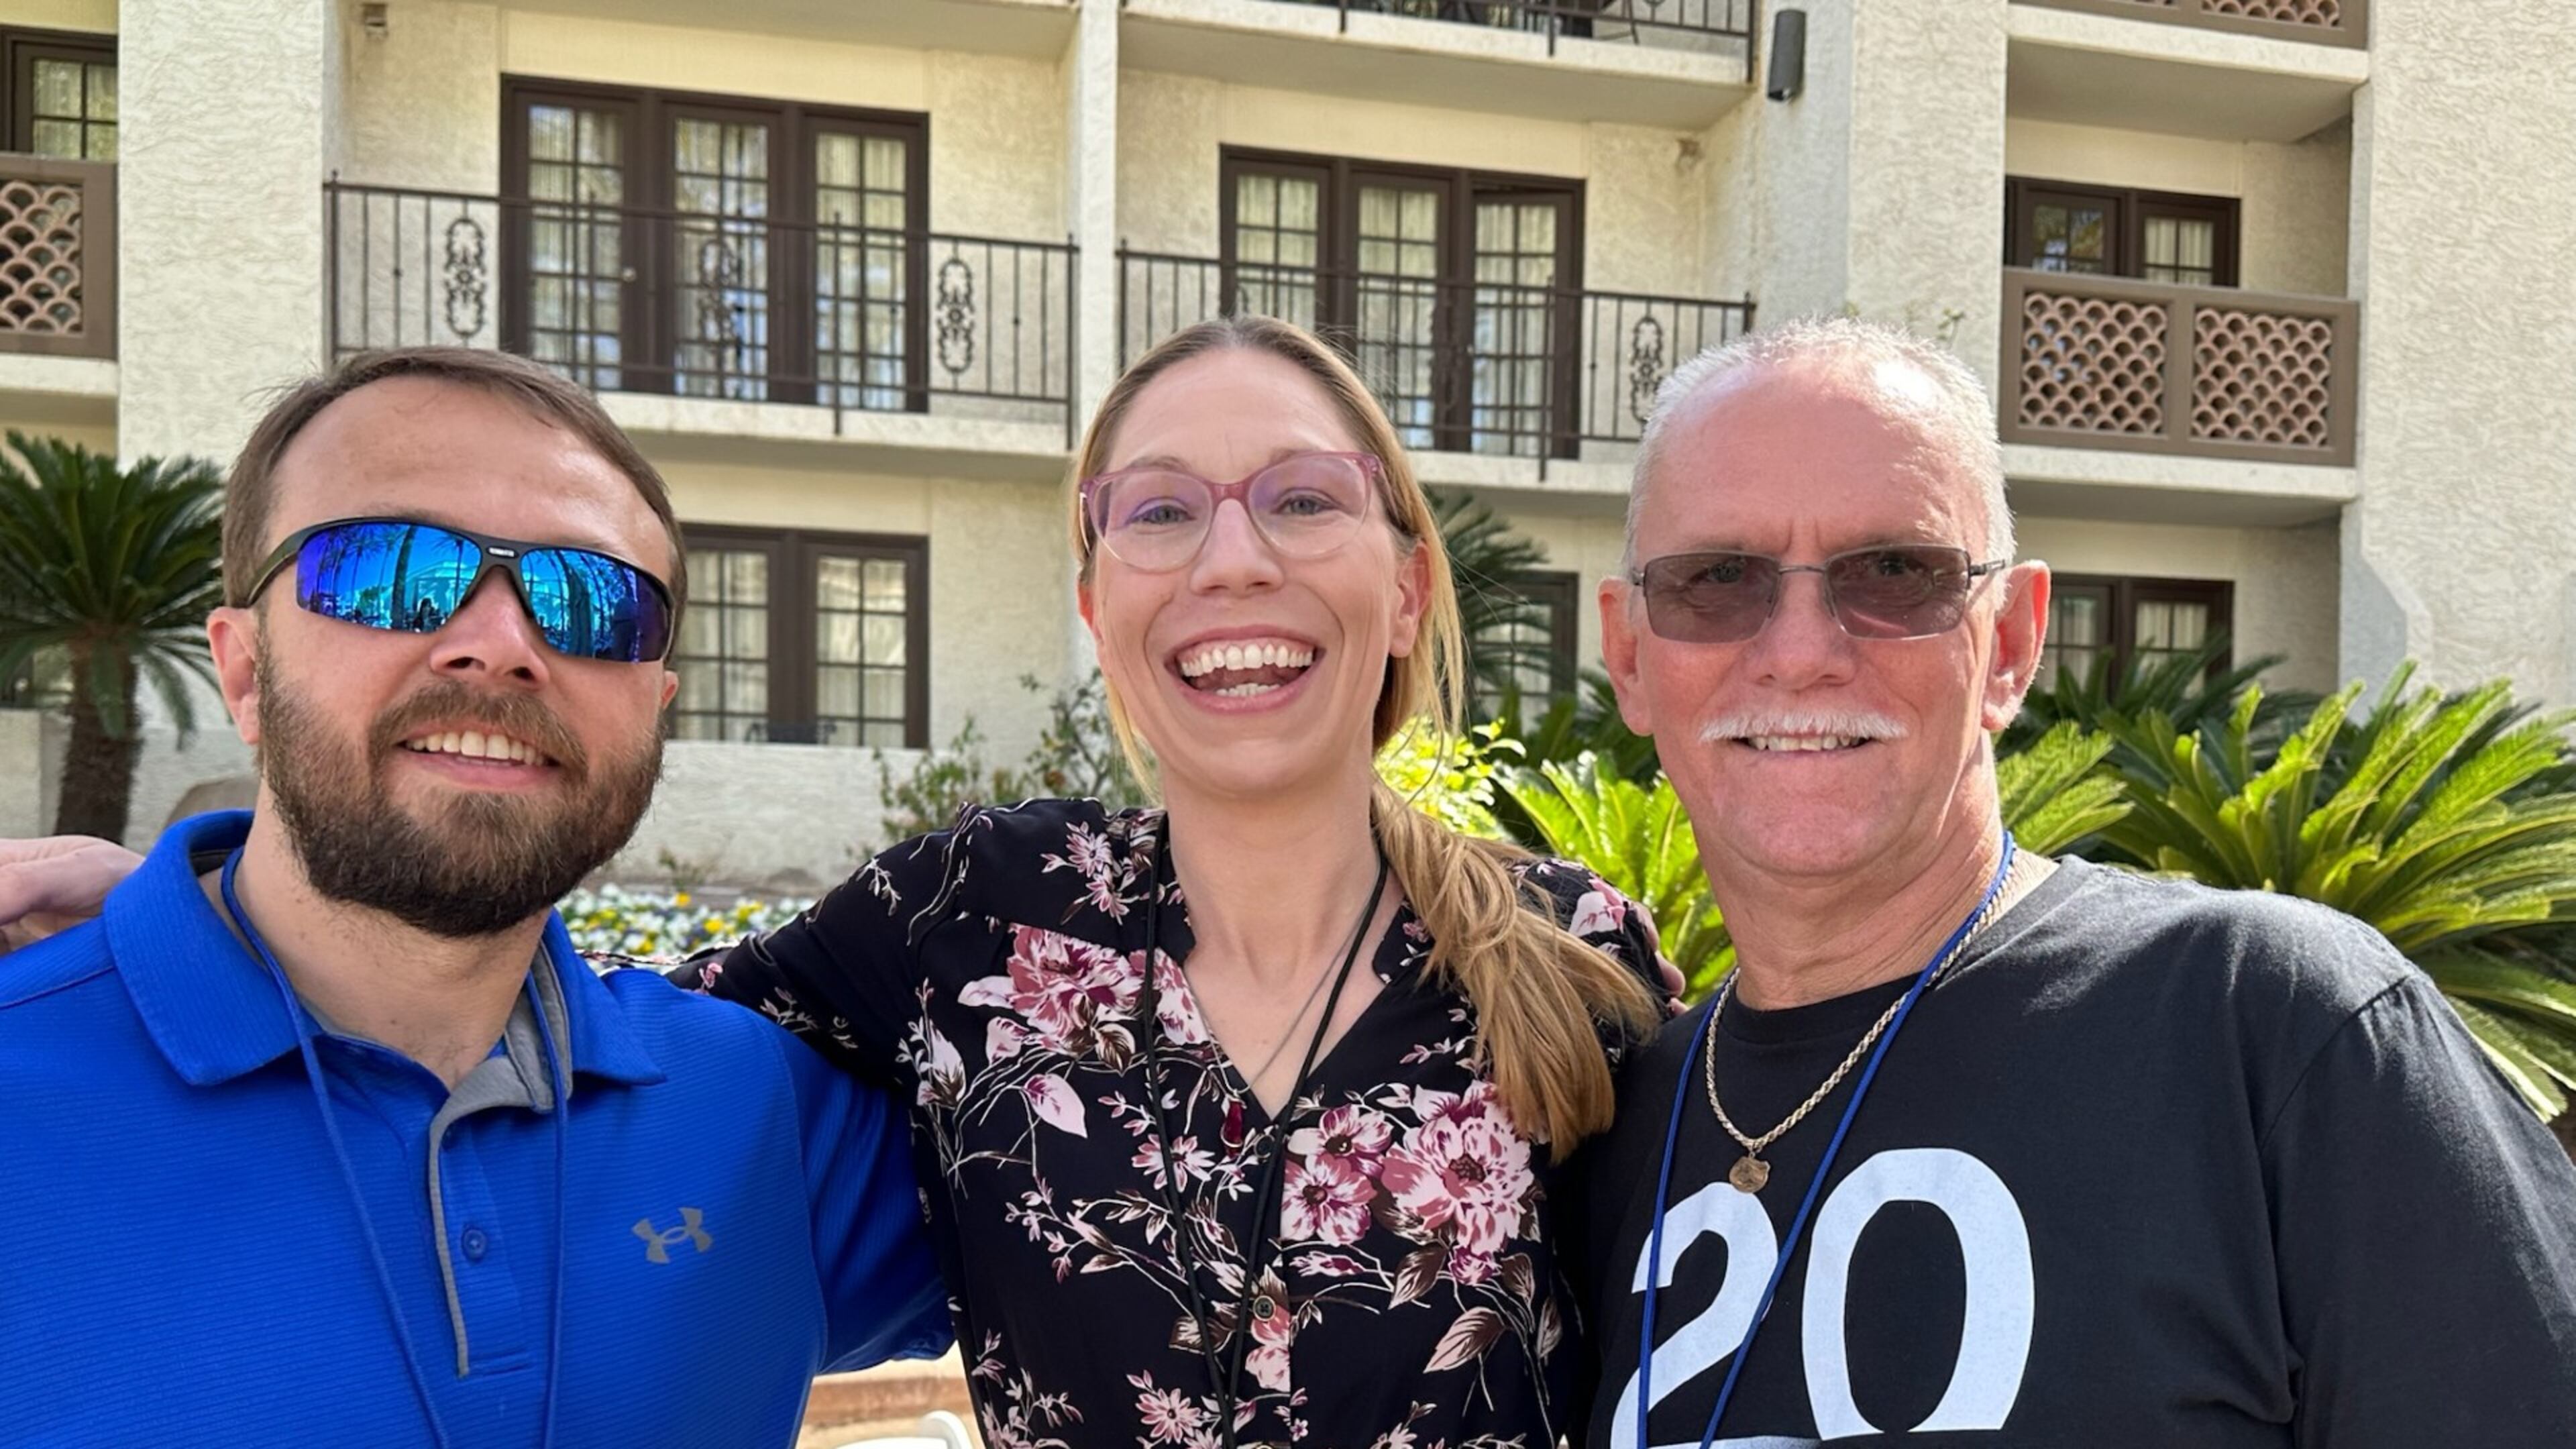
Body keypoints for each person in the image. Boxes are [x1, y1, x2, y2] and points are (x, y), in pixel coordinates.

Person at [0, 317, 1672, 1449]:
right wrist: (164, 919)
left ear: (1404, 580)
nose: (495, 642)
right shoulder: (978, 928)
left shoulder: (1583, 967)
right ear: (1095, 606)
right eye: (1158, 511)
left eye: (1304, 498)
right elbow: (557, 987)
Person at [1572, 317, 2576, 1447]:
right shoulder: (1616, 1123)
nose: (1800, 649)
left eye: (1897, 574)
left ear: (2010, 642)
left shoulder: (2269, 1029)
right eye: (1717, 581)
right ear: (1629, 656)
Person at [0, 349, 945, 1447]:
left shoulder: (763, 1109)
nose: (499, 646)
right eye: (388, 568)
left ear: (656, 707)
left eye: (593, 603)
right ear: (248, 670)